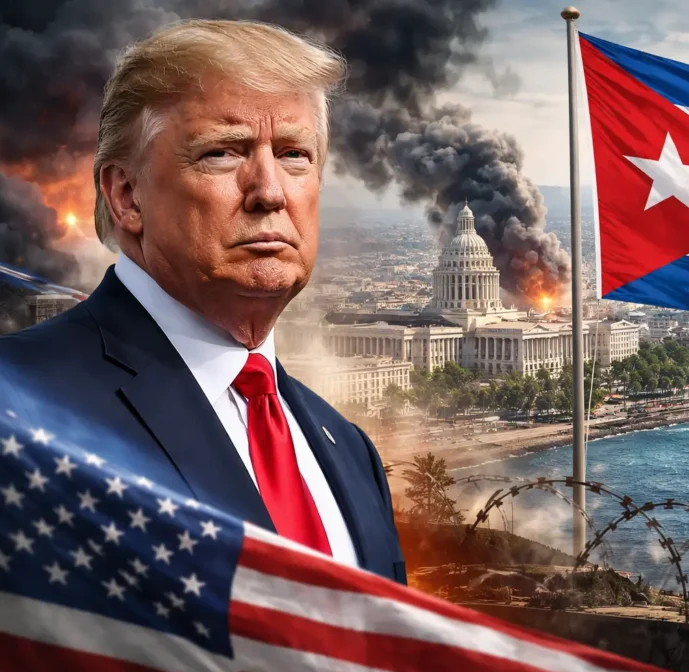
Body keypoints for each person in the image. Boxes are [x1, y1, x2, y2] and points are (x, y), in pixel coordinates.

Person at [0, 19, 406, 583]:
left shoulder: (351, 452)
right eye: (221, 152)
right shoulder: (18, 408)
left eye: (294, 154)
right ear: (127, 195)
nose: (269, 191)